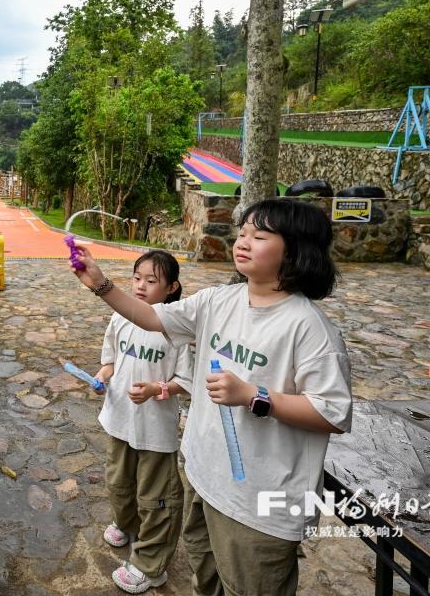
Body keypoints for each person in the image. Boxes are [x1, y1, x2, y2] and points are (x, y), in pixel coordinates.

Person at [72, 198, 353, 596]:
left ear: (296, 248)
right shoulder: (219, 301)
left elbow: (332, 413)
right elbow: (152, 317)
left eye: (259, 235)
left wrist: (254, 395)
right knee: (206, 581)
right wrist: (100, 284)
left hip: (261, 502)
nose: (243, 241)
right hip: (205, 478)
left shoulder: (309, 328)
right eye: (242, 233)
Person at [92, 250, 191, 594]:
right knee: (119, 482)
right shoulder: (120, 318)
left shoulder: (175, 328)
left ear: (171, 287)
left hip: (155, 429)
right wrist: (103, 377)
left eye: (151, 280)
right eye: (137, 278)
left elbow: (186, 380)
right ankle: (127, 523)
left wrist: (156, 389)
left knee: (156, 496)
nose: (141, 285)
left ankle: (152, 565)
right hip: (119, 418)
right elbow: (111, 361)